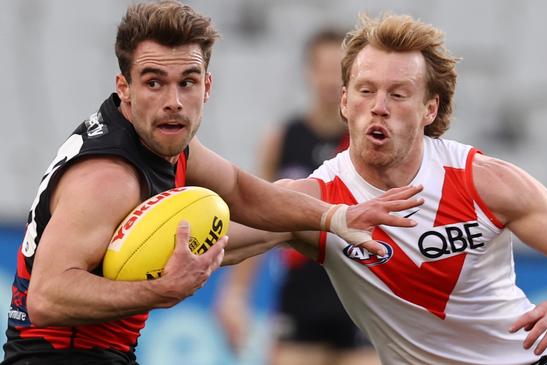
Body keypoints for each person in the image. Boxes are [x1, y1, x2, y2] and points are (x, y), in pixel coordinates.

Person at [1, 3, 424, 364]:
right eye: (153, 82)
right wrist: (161, 289)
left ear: (207, 86)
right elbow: (47, 298)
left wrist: (335, 216)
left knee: (292, 207)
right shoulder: (107, 177)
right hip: (57, 357)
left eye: (186, 81)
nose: (173, 100)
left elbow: (243, 194)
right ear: (123, 89)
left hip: (107, 352)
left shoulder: (170, 139)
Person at [222, 13, 547, 365]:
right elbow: (219, 243)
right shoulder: (316, 199)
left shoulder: (482, 181)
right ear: (345, 101)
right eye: (366, 91)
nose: (379, 105)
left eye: (398, 94)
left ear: (430, 108)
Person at [216, 29, 380, 365]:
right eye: (323, 68)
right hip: (300, 300)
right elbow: (256, 213)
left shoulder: (371, 142)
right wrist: (235, 293)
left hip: (360, 298)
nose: (330, 79)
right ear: (308, 71)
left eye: (339, 69)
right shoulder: (282, 139)